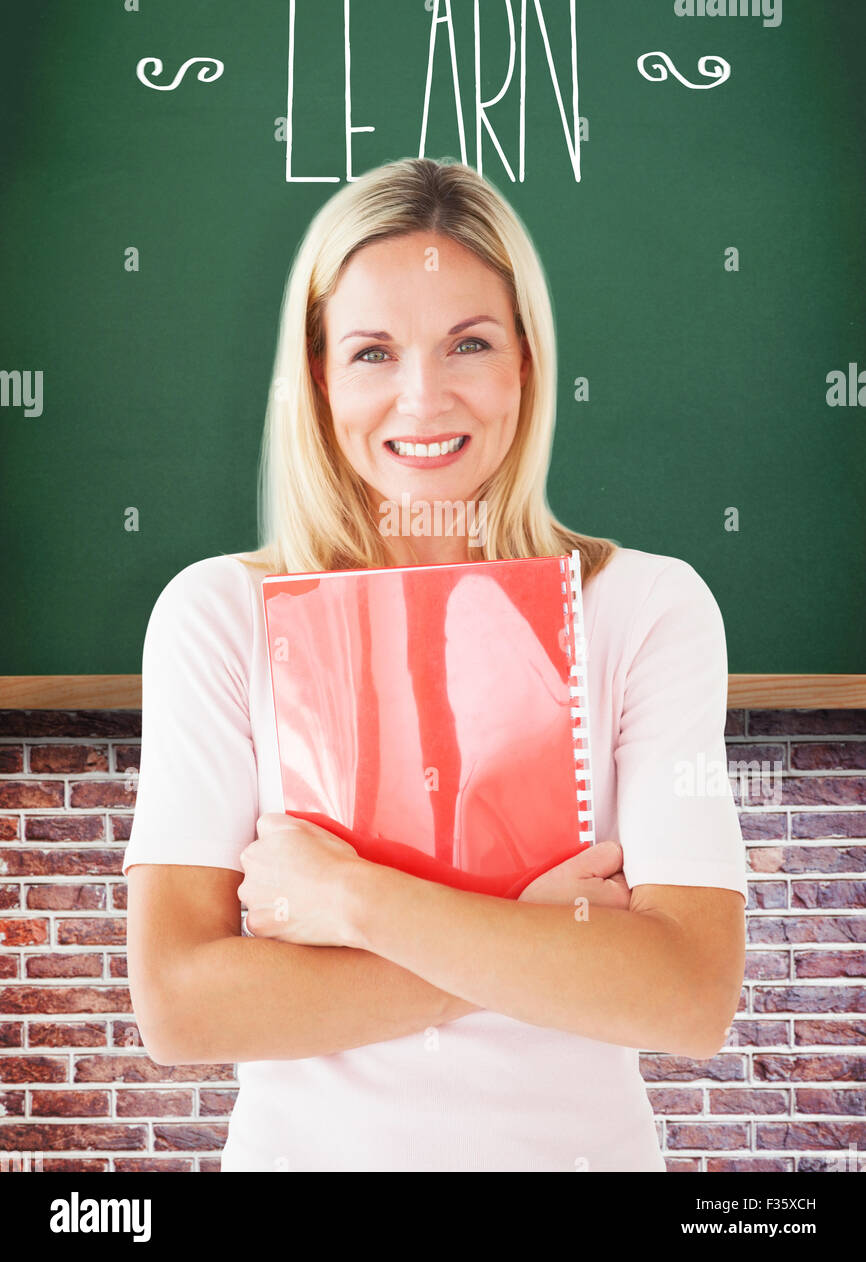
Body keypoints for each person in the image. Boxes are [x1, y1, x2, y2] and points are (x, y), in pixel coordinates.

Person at [123, 157, 747, 1173]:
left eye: (468, 343)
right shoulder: (218, 614)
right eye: (372, 352)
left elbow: (683, 996)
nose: (423, 397)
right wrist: (535, 941)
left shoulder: (645, 606)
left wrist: (353, 901)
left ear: (526, 367)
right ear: (319, 378)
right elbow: (184, 1006)